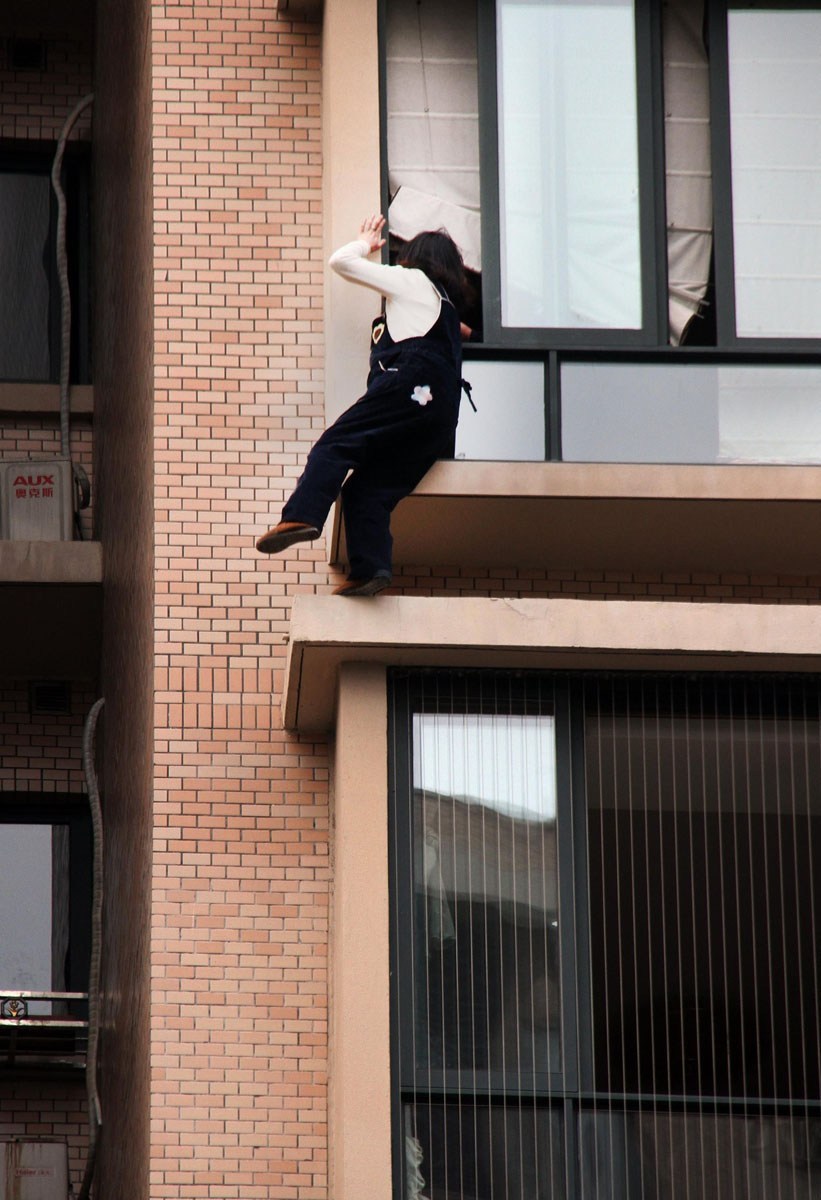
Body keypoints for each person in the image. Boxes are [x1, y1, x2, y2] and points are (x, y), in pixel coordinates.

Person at [256, 213, 471, 596]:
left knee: (336, 444)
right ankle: (371, 569)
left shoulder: (412, 281)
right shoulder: (447, 309)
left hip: (410, 388)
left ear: (415, 259)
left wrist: (365, 244)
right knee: (367, 490)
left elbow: (341, 262)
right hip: (438, 419)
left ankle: (301, 517)